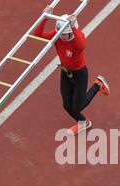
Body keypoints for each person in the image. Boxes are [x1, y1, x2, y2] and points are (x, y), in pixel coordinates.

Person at [33, 5, 110, 135]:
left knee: (77, 106)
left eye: (65, 34)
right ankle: (83, 122)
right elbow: (38, 34)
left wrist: (73, 27)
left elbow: (81, 46)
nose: (62, 37)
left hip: (79, 75)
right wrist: (45, 18)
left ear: (71, 31)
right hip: (65, 72)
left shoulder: (77, 37)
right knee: (67, 105)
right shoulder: (58, 35)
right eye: (60, 34)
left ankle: (98, 85)